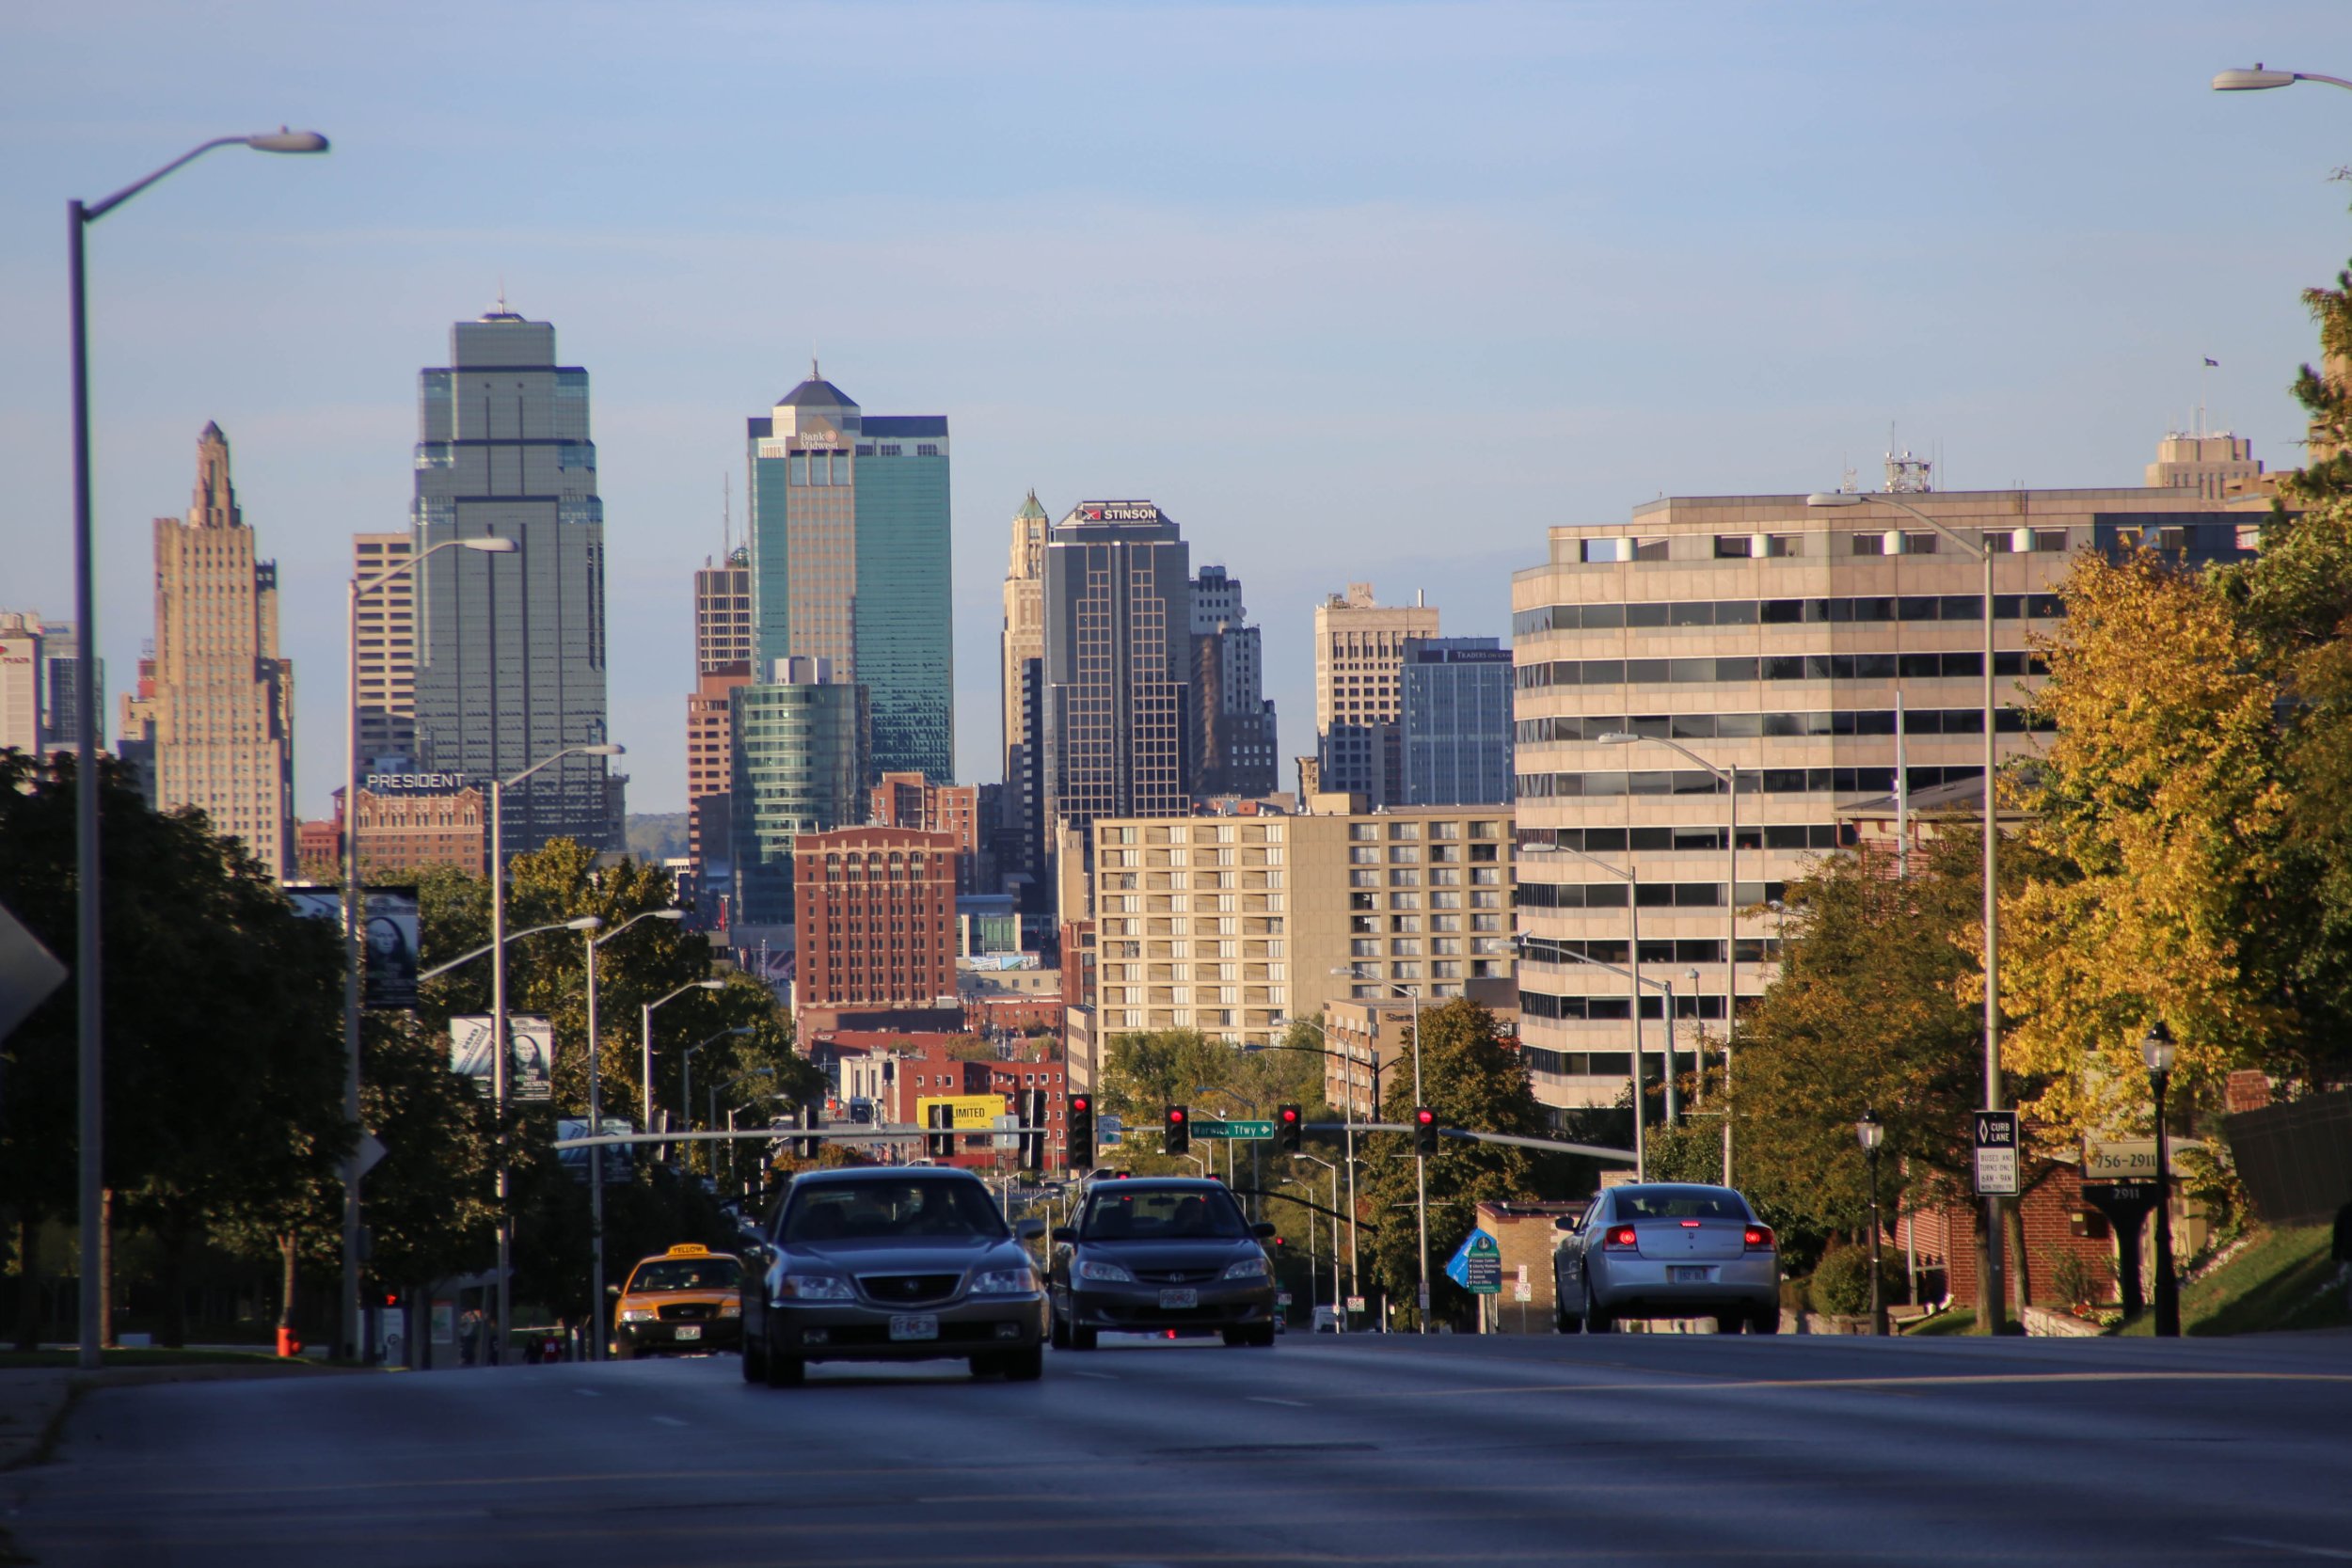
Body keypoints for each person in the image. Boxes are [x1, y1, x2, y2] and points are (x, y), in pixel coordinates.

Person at [2333, 1193, 2352, 1315]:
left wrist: (2336, 1256)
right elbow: (2338, 1234)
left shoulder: (2344, 1211)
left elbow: (2338, 1235)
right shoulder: (2345, 1212)